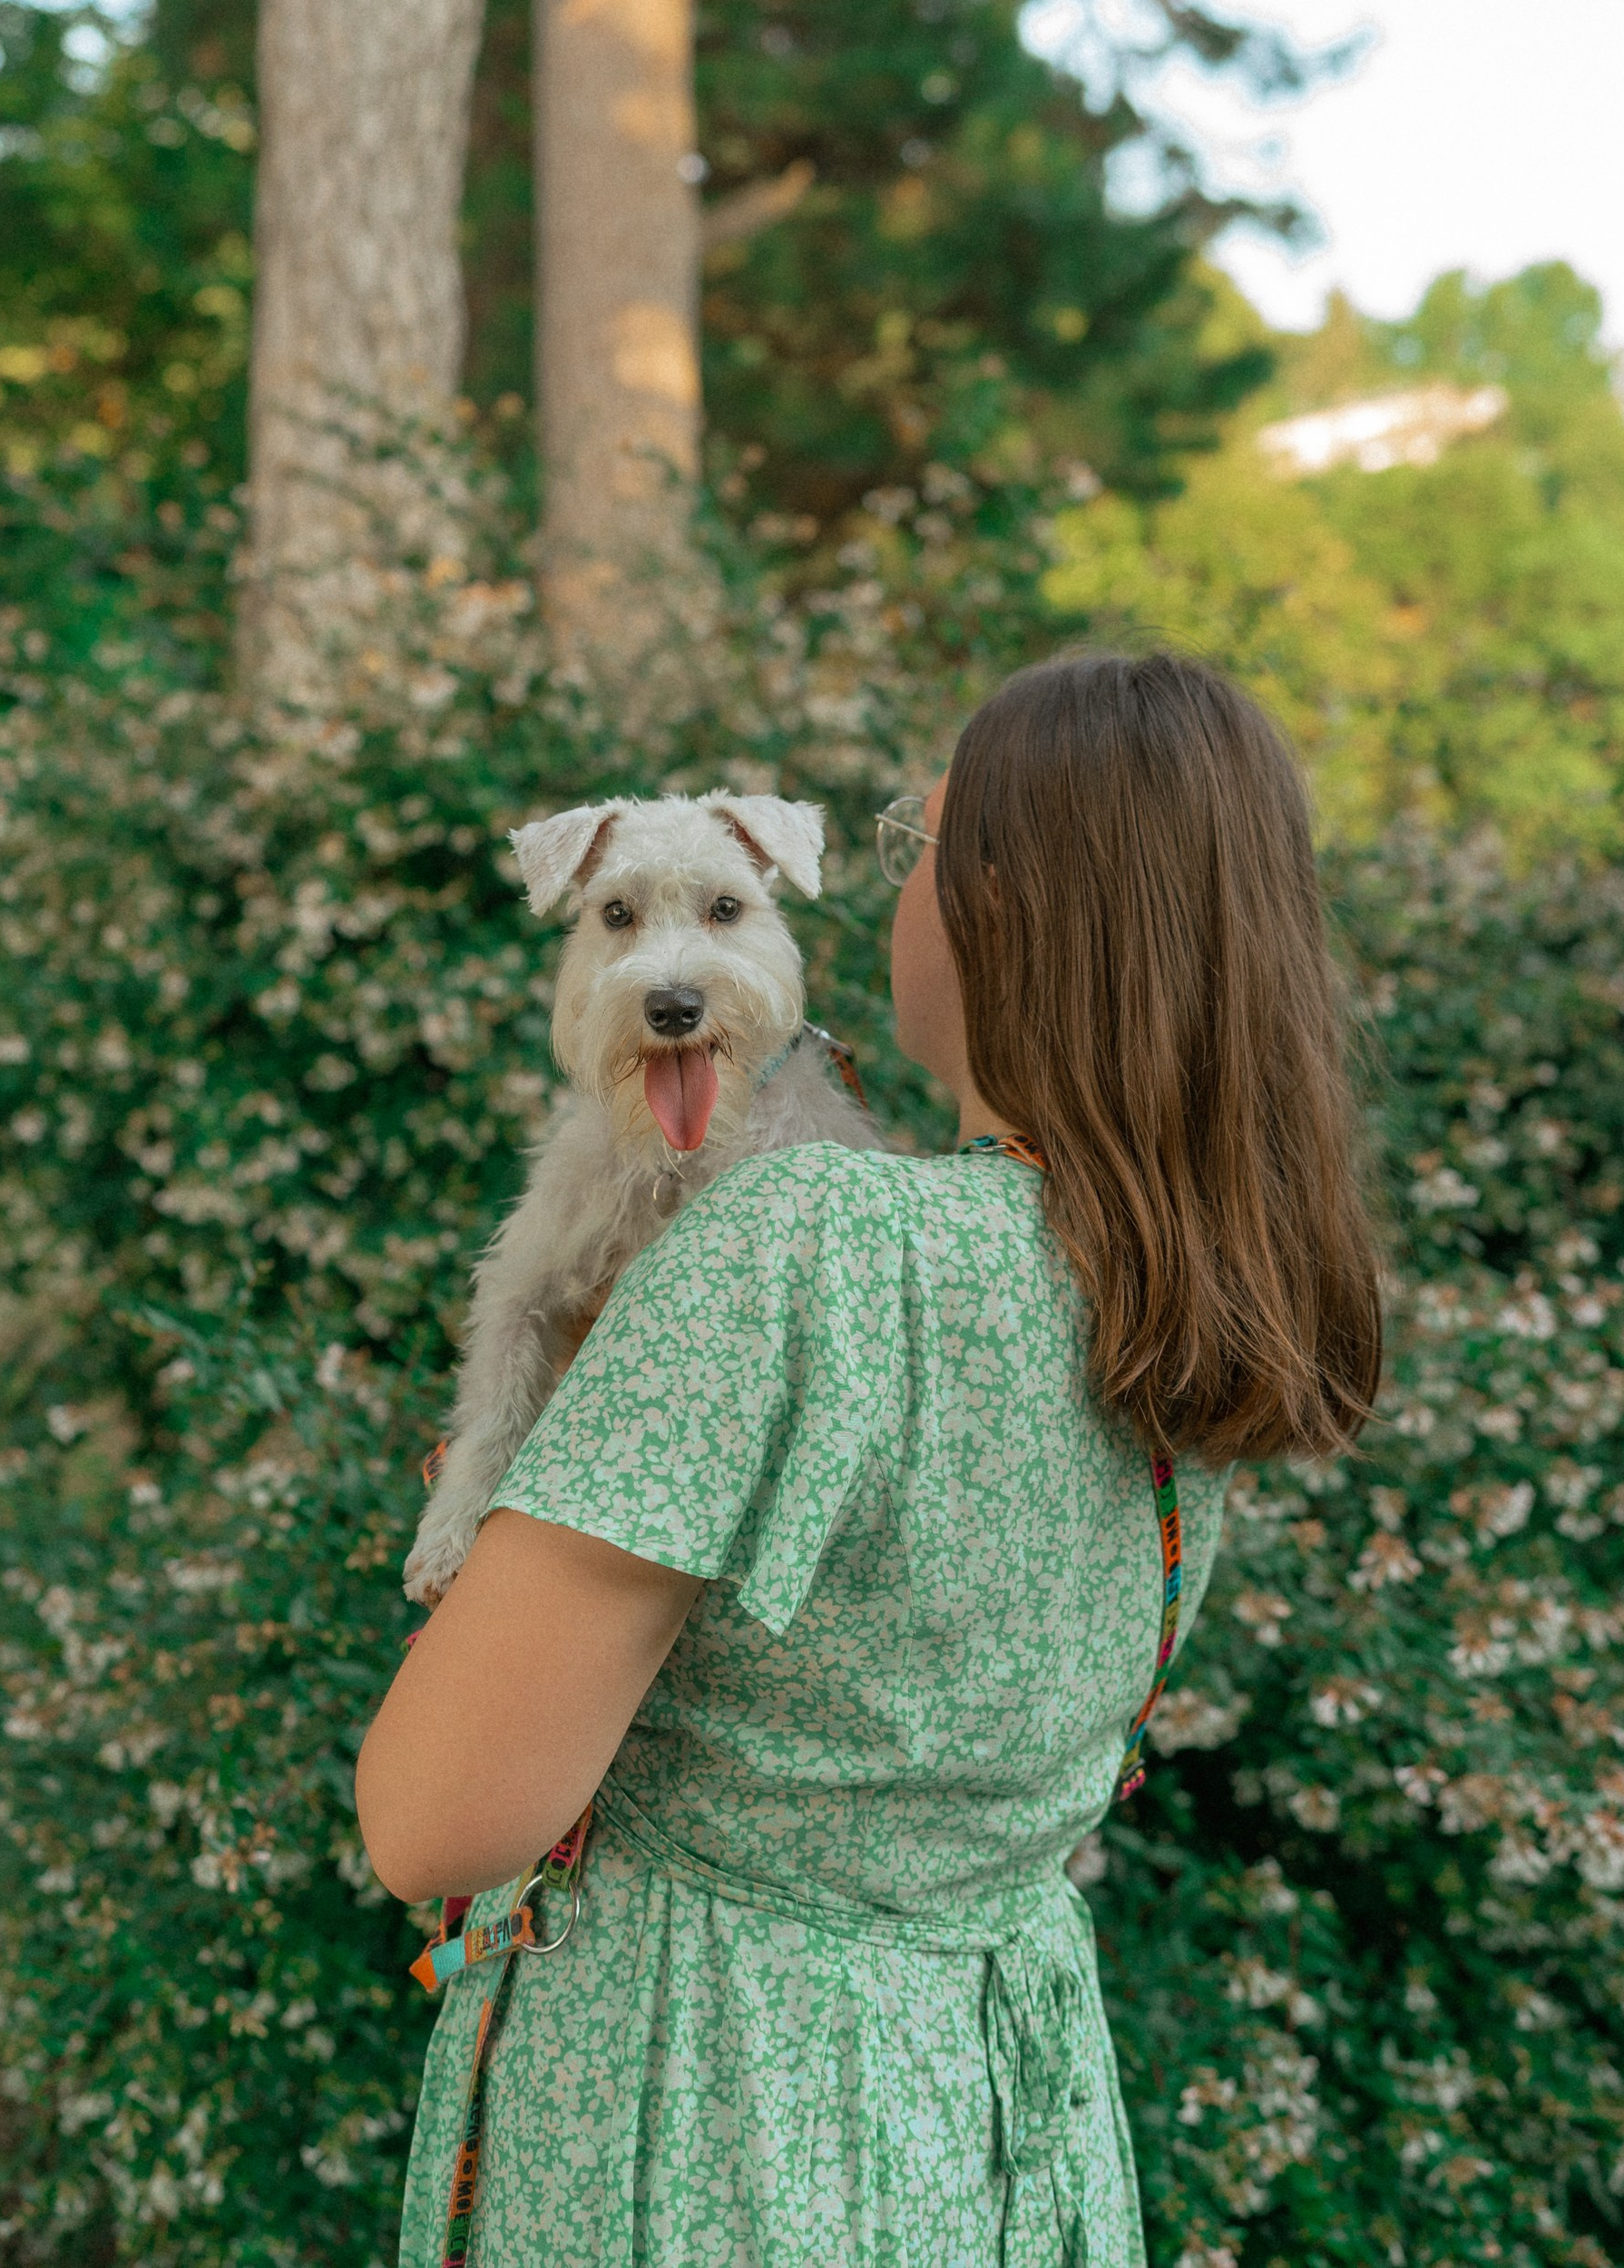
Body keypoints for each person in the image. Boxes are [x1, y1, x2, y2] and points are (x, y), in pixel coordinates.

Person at [357, 650, 1383, 2268]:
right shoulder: (1202, 1292)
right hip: (993, 2117)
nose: (895, 892)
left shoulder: (804, 1238)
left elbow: (434, 1818)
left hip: (709, 2121)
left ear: (1003, 910)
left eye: (918, 843)